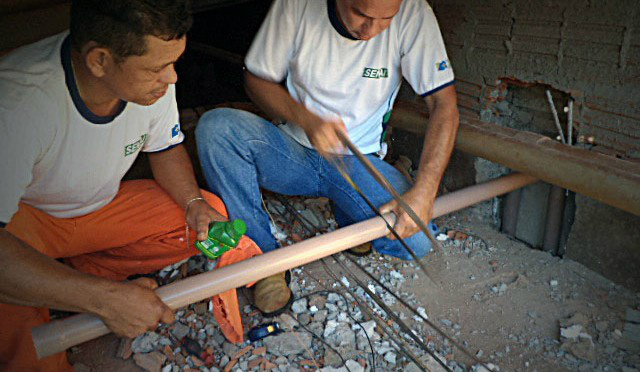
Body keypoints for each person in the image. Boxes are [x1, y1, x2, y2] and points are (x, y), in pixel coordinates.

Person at [0, 1, 262, 371]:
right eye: (158, 68)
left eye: (174, 63)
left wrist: (192, 203)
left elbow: (166, 149)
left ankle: (83, 270)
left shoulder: (150, 84)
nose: (172, 78)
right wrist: (106, 301)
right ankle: (65, 289)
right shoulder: (16, 106)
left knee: (209, 214)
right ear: (99, 60)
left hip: (100, 209)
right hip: (23, 224)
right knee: (20, 332)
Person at [196, 0, 460, 315]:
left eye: (385, 19)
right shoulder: (296, 5)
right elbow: (255, 80)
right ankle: (259, 261)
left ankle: (349, 215)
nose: (370, 30)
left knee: (416, 241)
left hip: (358, 161)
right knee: (217, 128)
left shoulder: (416, 13)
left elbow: (444, 105)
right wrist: (307, 120)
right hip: (292, 150)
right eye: (360, 13)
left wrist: (426, 191)